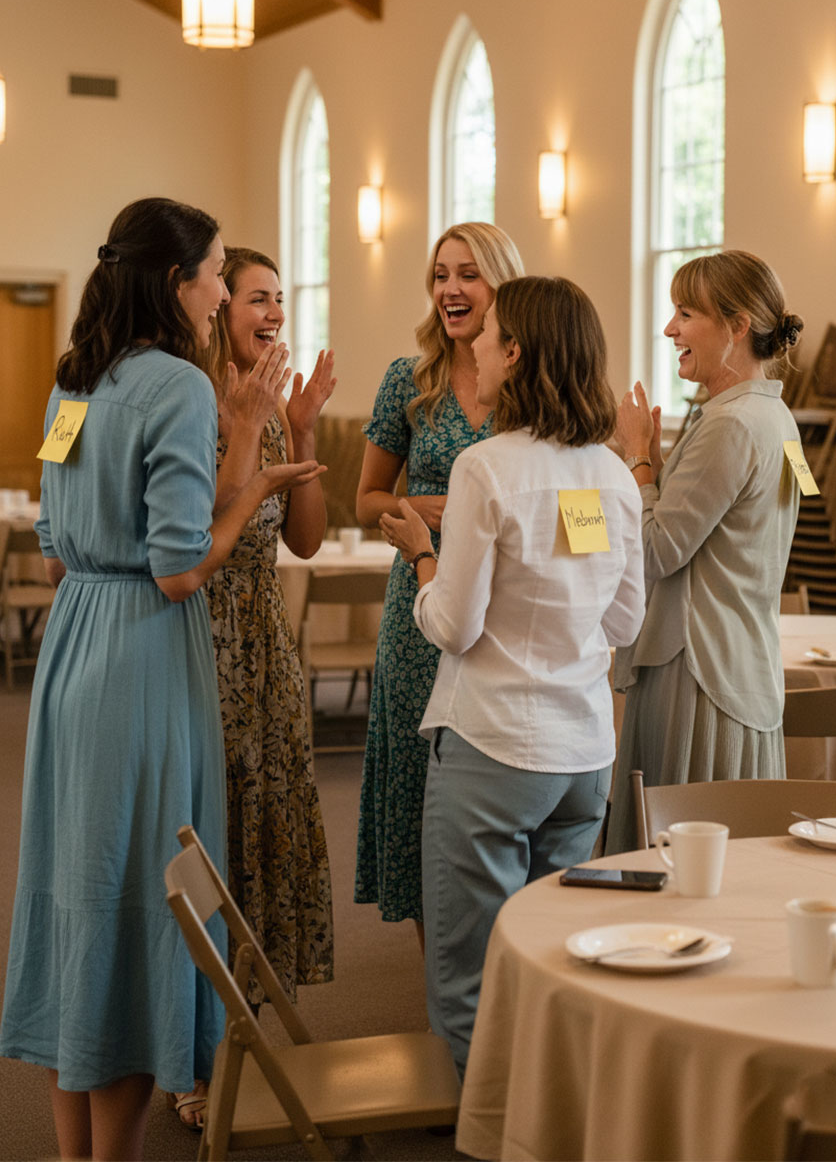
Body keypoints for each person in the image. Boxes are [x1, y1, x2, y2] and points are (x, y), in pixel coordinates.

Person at [0, 199, 325, 1162]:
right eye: (220, 274)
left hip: (70, 652)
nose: (226, 292)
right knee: (146, 902)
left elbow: (56, 554)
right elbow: (184, 565)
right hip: (146, 652)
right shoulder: (179, 389)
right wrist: (255, 482)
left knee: (78, 897)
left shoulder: (71, 387)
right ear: (177, 283)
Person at [379, 275, 645, 1076]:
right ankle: (546, 1120)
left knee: (469, 976)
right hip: (582, 756)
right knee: (554, 958)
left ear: (516, 354)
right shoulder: (612, 474)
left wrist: (420, 558)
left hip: (492, 745)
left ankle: (485, 1130)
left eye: (488, 330)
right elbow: (624, 623)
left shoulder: (485, 468)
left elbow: (454, 626)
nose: (476, 343)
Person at [353, 223, 524, 943]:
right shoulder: (408, 379)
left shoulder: (528, 379)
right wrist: (412, 508)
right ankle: (438, 967)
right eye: (440, 275)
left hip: (505, 610)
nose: (451, 290)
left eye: (468, 275)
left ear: (501, 286)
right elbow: (363, 502)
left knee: (497, 781)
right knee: (425, 782)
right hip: (419, 611)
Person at [604, 249, 804, 854]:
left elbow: (655, 552)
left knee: (681, 860)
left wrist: (638, 458)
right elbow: (745, 527)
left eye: (686, 313)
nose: (671, 329)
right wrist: (660, 478)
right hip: (742, 658)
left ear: (738, 325)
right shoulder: (778, 418)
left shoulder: (729, 425)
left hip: (697, 671)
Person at [199, 247, 334, 1034]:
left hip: (264, 637)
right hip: (201, 627)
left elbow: (307, 543)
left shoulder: (276, 413)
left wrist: (302, 428)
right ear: (219, 307)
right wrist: (249, 429)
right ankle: (195, 1036)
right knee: (212, 819)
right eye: (256, 297)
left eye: (279, 298)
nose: (274, 312)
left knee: (265, 814)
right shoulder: (192, 400)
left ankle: (249, 1005)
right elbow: (205, 525)